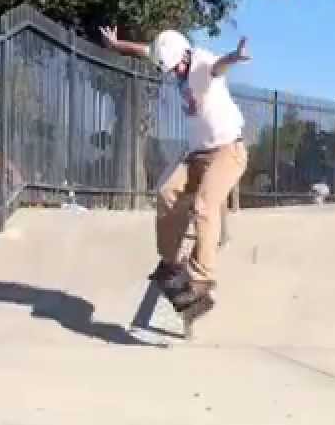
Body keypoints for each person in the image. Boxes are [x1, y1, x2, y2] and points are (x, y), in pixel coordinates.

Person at [100, 24, 250, 311]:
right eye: (172, 72)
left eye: (178, 70)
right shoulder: (169, 55)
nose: (177, 75)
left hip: (228, 151)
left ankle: (202, 278)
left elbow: (220, 66)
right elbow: (145, 50)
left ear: (186, 54)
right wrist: (117, 45)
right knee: (166, 193)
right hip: (196, 154)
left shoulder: (203, 62)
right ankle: (170, 263)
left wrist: (235, 55)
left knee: (204, 206)